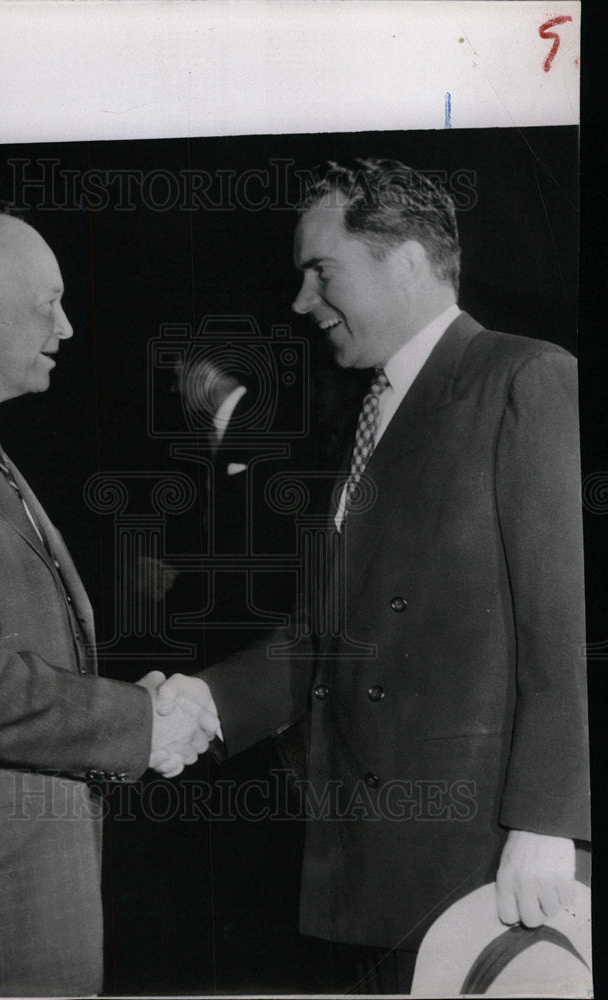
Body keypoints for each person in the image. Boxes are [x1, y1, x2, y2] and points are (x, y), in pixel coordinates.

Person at [153, 159, 590, 994]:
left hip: (483, 864)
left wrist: (547, 821)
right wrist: (208, 705)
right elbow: (331, 633)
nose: (300, 302)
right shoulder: (363, 413)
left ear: (406, 260)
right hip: (366, 857)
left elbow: (560, 623)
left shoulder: (525, 379)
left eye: (321, 272)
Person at [0, 208, 218, 997]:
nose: (67, 326)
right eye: (47, 302)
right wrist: (138, 722)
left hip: (19, 898)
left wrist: (128, 706)